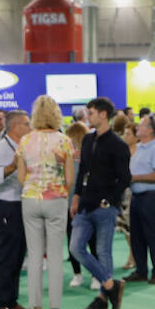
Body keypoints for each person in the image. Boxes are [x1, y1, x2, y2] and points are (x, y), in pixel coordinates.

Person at [16, 96, 76, 309]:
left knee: (34, 256)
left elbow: (21, 177)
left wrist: (33, 187)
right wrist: (59, 191)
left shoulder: (25, 141)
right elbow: (70, 178)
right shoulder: (64, 141)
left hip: (30, 200)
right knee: (54, 258)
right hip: (56, 200)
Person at [70, 96, 131, 309]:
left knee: (104, 251)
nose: (88, 116)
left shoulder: (118, 145)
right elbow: (83, 172)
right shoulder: (87, 140)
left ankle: (102, 298)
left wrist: (109, 201)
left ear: (103, 114)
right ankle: (110, 285)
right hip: (85, 204)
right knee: (76, 248)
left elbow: (125, 178)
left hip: (105, 207)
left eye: (92, 112)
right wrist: (76, 197)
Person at [0, 109, 32, 309]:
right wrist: (11, 168)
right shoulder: (1, 148)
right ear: (15, 127)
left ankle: (11, 300)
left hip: (20, 205)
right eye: (26, 124)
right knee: (7, 257)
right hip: (5, 206)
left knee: (18, 255)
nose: (29, 128)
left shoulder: (23, 147)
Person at [123, 115, 155, 285]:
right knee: (136, 235)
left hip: (150, 196)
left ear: (150, 130)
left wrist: (135, 178)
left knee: (151, 234)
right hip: (137, 195)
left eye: (141, 126)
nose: (137, 129)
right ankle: (141, 270)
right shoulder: (139, 148)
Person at [65, 120, 88, 288]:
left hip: (86, 204)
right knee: (74, 241)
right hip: (70, 204)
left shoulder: (90, 157)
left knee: (88, 241)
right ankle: (78, 274)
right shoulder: (67, 158)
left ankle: (82, 274)